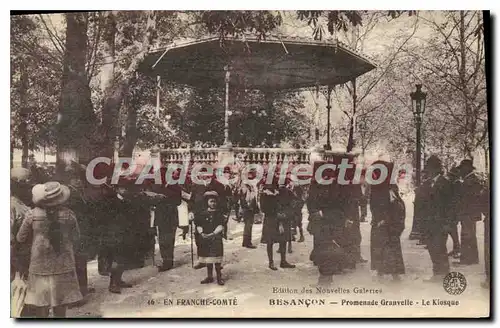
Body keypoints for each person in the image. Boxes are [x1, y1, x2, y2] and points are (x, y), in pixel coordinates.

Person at [17, 181, 83, 317]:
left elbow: (20, 238)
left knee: (41, 303)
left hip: (39, 264)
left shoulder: (32, 214)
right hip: (63, 263)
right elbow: (77, 238)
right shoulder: (69, 214)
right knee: (61, 303)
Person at [369, 161, 406, 281]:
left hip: (386, 222)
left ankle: (392, 273)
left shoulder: (386, 188)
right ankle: (383, 271)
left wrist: (384, 219)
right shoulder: (384, 187)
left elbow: (395, 205)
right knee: (384, 246)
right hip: (381, 221)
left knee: (387, 246)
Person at [421, 155, 452, 282]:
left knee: (440, 248)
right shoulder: (428, 184)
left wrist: (448, 223)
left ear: (435, 169)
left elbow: (452, 205)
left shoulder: (446, 183)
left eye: (429, 168)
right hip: (429, 223)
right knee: (432, 248)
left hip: (441, 223)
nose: (427, 171)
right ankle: (437, 274)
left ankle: (443, 275)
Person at [260, 177, 296, 270]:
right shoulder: (264, 195)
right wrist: (272, 197)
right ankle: (271, 262)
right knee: (270, 241)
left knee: (283, 240)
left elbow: (288, 203)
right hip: (271, 219)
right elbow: (263, 208)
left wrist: (285, 214)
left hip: (281, 219)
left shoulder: (281, 192)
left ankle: (283, 261)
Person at [153, 169, 182, 272]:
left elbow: (178, 201)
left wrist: (165, 196)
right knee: (162, 239)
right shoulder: (158, 187)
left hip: (171, 216)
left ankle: (168, 262)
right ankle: (165, 260)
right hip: (161, 216)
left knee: (169, 239)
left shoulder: (176, 186)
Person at [455, 159, 483, 265]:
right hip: (470, 212)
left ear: (467, 169)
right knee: (470, 235)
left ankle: (467, 259)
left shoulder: (470, 180)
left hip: (468, 212)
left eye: (462, 169)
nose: (460, 171)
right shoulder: (471, 179)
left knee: (467, 235)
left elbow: (468, 198)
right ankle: (471, 258)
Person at [195, 191, 225, 285]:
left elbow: (221, 225)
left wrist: (213, 233)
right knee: (208, 258)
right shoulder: (202, 214)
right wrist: (201, 233)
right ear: (207, 202)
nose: (213, 203)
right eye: (211, 201)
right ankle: (209, 276)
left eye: (214, 202)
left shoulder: (219, 213)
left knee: (216, 258)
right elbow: (198, 224)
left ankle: (219, 277)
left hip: (215, 237)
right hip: (205, 238)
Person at [239, 172, 259, 249]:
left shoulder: (250, 187)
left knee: (248, 225)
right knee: (248, 225)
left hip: (249, 208)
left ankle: (246, 242)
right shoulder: (245, 187)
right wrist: (247, 207)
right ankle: (247, 242)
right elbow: (243, 198)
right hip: (247, 209)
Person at [446, 166, 461, 259]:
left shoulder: (457, 184)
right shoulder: (453, 184)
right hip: (452, 211)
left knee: (453, 230)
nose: (449, 177)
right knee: (452, 230)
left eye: (451, 175)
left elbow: (456, 199)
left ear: (455, 176)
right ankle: (456, 248)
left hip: (454, 211)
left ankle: (457, 248)